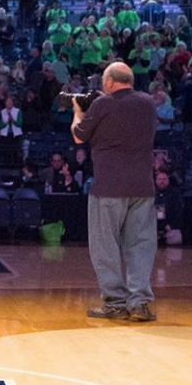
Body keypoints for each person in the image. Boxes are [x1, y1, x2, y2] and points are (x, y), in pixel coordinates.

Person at [72, 62, 158, 321]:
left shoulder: (103, 104)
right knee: (140, 246)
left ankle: (115, 303)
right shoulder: (148, 103)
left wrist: (78, 111)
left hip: (109, 187)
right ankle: (140, 303)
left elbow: (79, 136)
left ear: (109, 83)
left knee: (105, 246)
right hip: (142, 187)